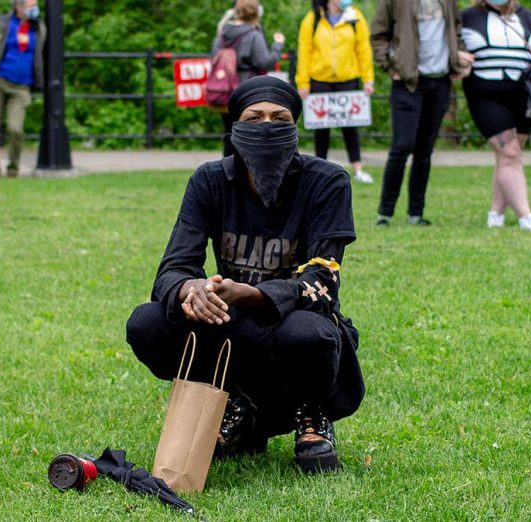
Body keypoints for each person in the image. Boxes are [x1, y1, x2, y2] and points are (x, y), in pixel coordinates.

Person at [126, 76, 364, 474]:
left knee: (309, 333)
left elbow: (322, 279)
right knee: (146, 322)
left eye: (279, 118)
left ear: (294, 127)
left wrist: (250, 294)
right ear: (235, 128)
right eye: (254, 118)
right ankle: (235, 403)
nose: (267, 126)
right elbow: (172, 268)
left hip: (293, 324)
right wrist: (193, 288)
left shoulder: (327, 181)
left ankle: (312, 412)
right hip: (230, 323)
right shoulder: (210, 179)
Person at [462, 0, 531, 232]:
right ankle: (525, 217)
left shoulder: (528, 18)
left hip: (524, 96)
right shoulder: (467, 17)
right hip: (486, 96)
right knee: (509, 153)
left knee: (508, 157)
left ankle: (496, 214)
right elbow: (449, 47)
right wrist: (457, 59)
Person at [371, 0, 474, 226]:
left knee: (424, 150)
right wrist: (390, 67)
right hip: (407, 83)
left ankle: (415, 214)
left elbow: (456, 30)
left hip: (440, 82)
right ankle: (385, 213)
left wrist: (460, 56)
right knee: (401, 146)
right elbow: (378, 35)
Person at [296, 0, 375, 184]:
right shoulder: (312, 19)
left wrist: (368, 79)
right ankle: (319, 169)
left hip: (348, 79)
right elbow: (305, 51)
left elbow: (363, 50)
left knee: (350, 127)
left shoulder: (355, 17)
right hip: (319, 80)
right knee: (321, 129)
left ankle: (358, 169)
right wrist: (303, 82)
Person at [213, 0, 285, 157]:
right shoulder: (253, 35)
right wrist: (277, 46)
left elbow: (215, 56)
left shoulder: (223, 33)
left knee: (230, 134)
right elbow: (263, 61)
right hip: (247, 91)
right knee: (250, 135)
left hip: (224, 90)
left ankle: (227, 173)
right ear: (256, 13)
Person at [0, 0, 45, 178]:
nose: (35, 9)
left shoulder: (39, 29)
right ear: (18, 7)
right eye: (31, 5)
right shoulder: (2, 25)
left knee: (16, 129)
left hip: (21, 87)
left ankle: (13, 169)